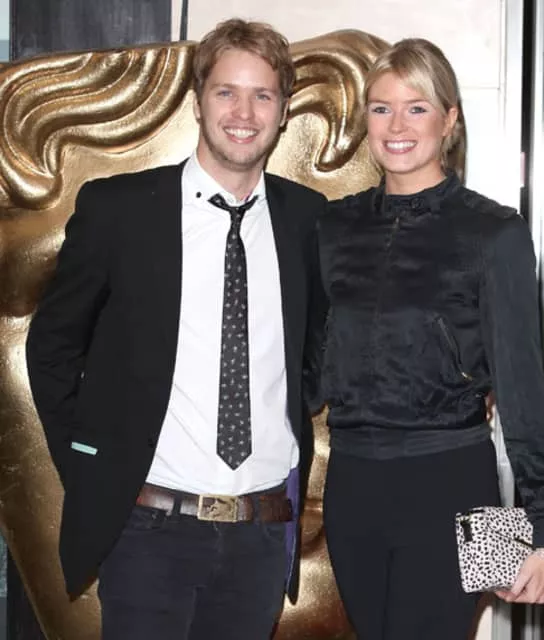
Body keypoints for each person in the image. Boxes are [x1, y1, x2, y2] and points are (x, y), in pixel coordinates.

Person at [26, 18, 327, 640]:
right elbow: (52, 347)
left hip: (261, 534)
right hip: (148, 532)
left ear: (283, 111)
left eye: (263, 95)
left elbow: (316, 348)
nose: (243, 113)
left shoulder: (308, 220)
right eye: (226, 92)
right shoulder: (118, 210)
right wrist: (93, 468)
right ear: (197, 101)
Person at [319, 38, 544, 640]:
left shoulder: (494, 232)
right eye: (382, 109)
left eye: (417, 108)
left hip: (449, 480)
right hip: (351, 485)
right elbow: (308, 362)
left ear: (449, 120)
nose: (397, 126)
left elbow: (521, 388)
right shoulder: (334, 226)